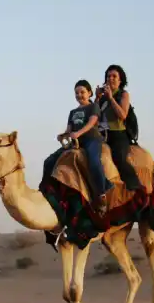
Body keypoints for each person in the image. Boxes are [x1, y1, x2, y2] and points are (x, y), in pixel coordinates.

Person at [42, 79, 113, 212]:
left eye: (82, 92)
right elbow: (69, 130)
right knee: (49, 161)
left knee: (93, 162)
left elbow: (92, 123)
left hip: (91, 139)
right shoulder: (72, 112)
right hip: (75, 141)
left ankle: (101, 194)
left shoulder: (93, 107)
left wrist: (78, 133)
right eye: (76, 93)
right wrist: (63, 135)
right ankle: (45, 190)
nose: (79, 95)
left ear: (89, 93)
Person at [96, 64, 142, 191]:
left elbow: (122, 115)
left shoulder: (123, 94)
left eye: (114, 76)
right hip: (102, 134)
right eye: (108, 76)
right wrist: (97, 98)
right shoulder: (102, 98)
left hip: (118, 134)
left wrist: (111, 98)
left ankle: (135, 185)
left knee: (119, 158)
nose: (111, 79)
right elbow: (94, 115)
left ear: (120, 80)